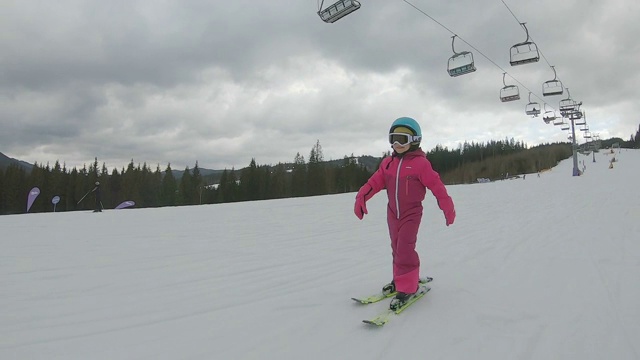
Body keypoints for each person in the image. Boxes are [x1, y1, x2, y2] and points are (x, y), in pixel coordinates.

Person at [353, 117, 456, 311]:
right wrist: (361, 198)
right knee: (396, 247)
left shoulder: (421, 165)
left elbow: (437, 187)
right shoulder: (388, 164)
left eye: (403, 139)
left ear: (415, 140)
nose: (397, 144)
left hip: (411, 213)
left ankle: (408, 287)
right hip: (393, 212)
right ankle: (400, 279)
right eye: (393, 139)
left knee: (405, 249)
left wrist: (447, 207)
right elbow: (373, 183)